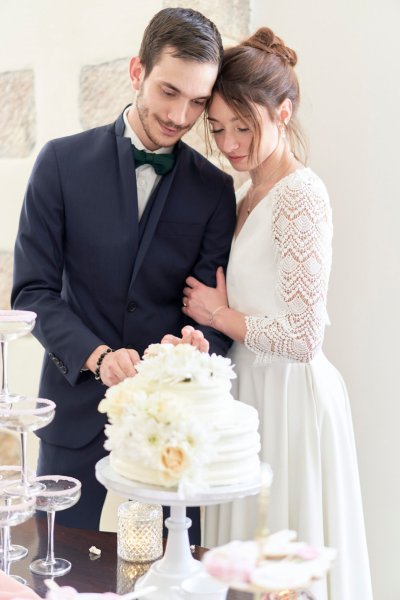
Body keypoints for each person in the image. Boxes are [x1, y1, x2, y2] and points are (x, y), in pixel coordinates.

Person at [11, 7, 236, 544]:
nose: (182, 115)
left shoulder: (214, 190)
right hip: (73, 411)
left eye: (199, 102)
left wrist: (197, 345)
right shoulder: (60, 164)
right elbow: (33, 292)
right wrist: (98, 357)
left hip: (171, 429)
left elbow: (213, 313)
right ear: (137, 71)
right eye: (169, 91)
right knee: (56, 566)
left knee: (168, 573)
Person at [181, 28, 373, 599]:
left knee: (284, 566)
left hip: (292, 402)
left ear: (283, 112)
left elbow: (304, 336)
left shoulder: (300, 194)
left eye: (244, 126)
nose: (229, 143)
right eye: (217, 128)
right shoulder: (248, 195)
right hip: (253, 398)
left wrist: (219, 315)